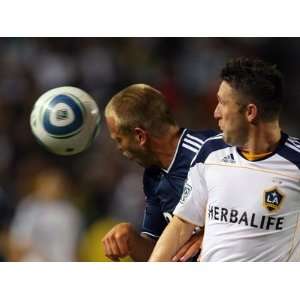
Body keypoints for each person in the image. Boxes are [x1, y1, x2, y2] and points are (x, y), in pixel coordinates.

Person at [149, 57, 300, 262]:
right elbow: (182, 223)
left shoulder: (295, 163)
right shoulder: (211, 152)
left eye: (222, 103)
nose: (215, 113)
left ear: (250, 112)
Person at [102, 83, 217, 261]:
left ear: (140, 136)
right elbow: (159, 254)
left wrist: (214, 233)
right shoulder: (152, 177)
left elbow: (262, 193)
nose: (118, 148)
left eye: (119, 139)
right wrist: (131, 239)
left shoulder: (211, 152)